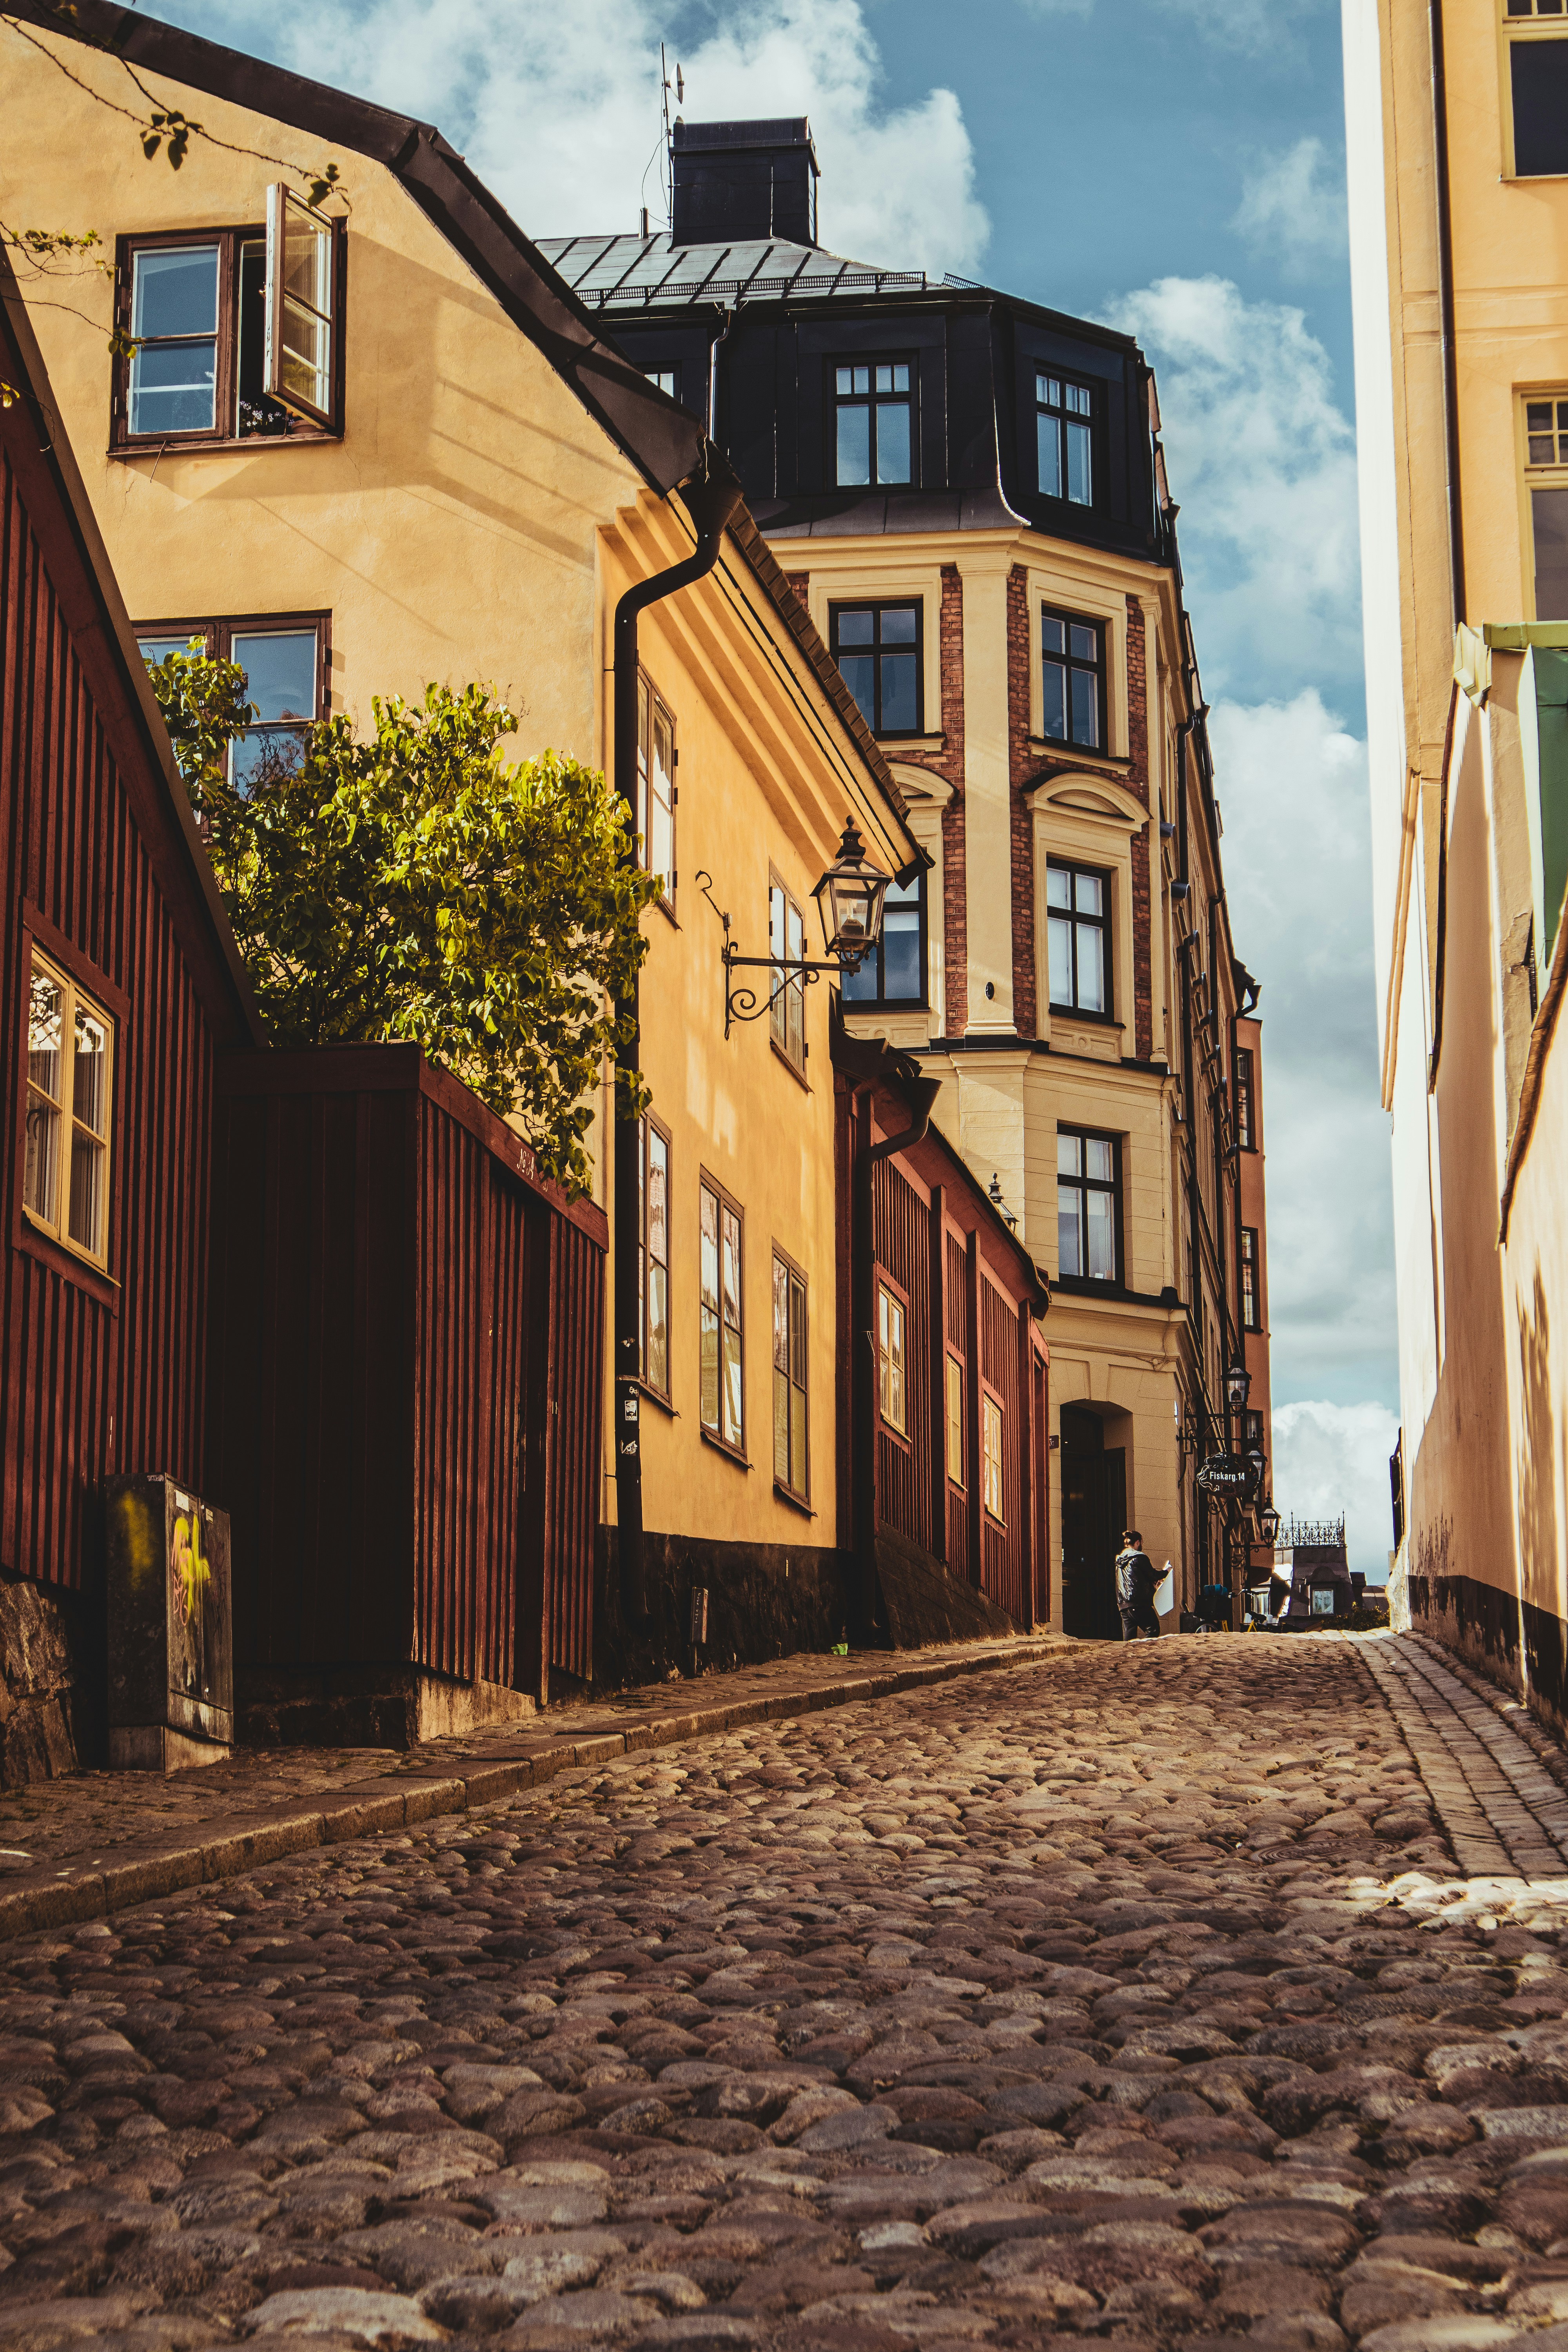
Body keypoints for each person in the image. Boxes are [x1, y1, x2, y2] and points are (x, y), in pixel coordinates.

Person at [1114, 1529, 1161, 1641]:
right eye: (1142, 1543)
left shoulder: (1120, 1560)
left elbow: (1134, 1577)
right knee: (1153, 1628)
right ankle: (1147, 1654)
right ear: (1138, 1542)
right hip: (1138, 1602)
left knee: (1129, 1636)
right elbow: (1153, 1574)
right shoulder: (1139, 1557)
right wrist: (1167, 1572)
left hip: (1123, 1604)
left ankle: (1127, 1656)